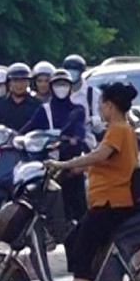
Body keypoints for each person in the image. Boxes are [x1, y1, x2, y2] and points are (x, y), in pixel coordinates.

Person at [45, 82, 140, 281]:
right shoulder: (121, 130)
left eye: (101, 104)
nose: (99, 108)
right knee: (75, 241)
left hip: (111, 203)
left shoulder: (118, 130)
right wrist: (73, 168)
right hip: (106, 201)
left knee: (82, 250)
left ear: (109, 106)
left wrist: (66, 164)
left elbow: (99, 156)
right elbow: (103, 162)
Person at [24, 69, 89, 222]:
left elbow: (80, 132)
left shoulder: (77, 110)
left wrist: (74, 139)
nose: (61, 87)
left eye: (64, 84)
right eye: (57, 84)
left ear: (70, 87)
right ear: (51, 87)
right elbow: (28, 128)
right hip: (46, 162)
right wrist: (13, 137)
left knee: (78, 201)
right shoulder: (43, 110)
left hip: (69, 163)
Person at [0, 63, 41, 132]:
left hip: (27, 141)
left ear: (29, 82)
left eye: (23, 81)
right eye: (15, 81)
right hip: (1, 141)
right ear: (9, 82)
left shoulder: (38, 105)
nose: (19, 85)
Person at [63, 54, 102, 143]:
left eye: (75, 71)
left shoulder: (92, 94)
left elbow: (101, 123)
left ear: (81, 72)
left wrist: (91, 121)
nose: (72, 74)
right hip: (62, 141)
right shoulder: (59, 93)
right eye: (68, 70)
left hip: (87, 141)